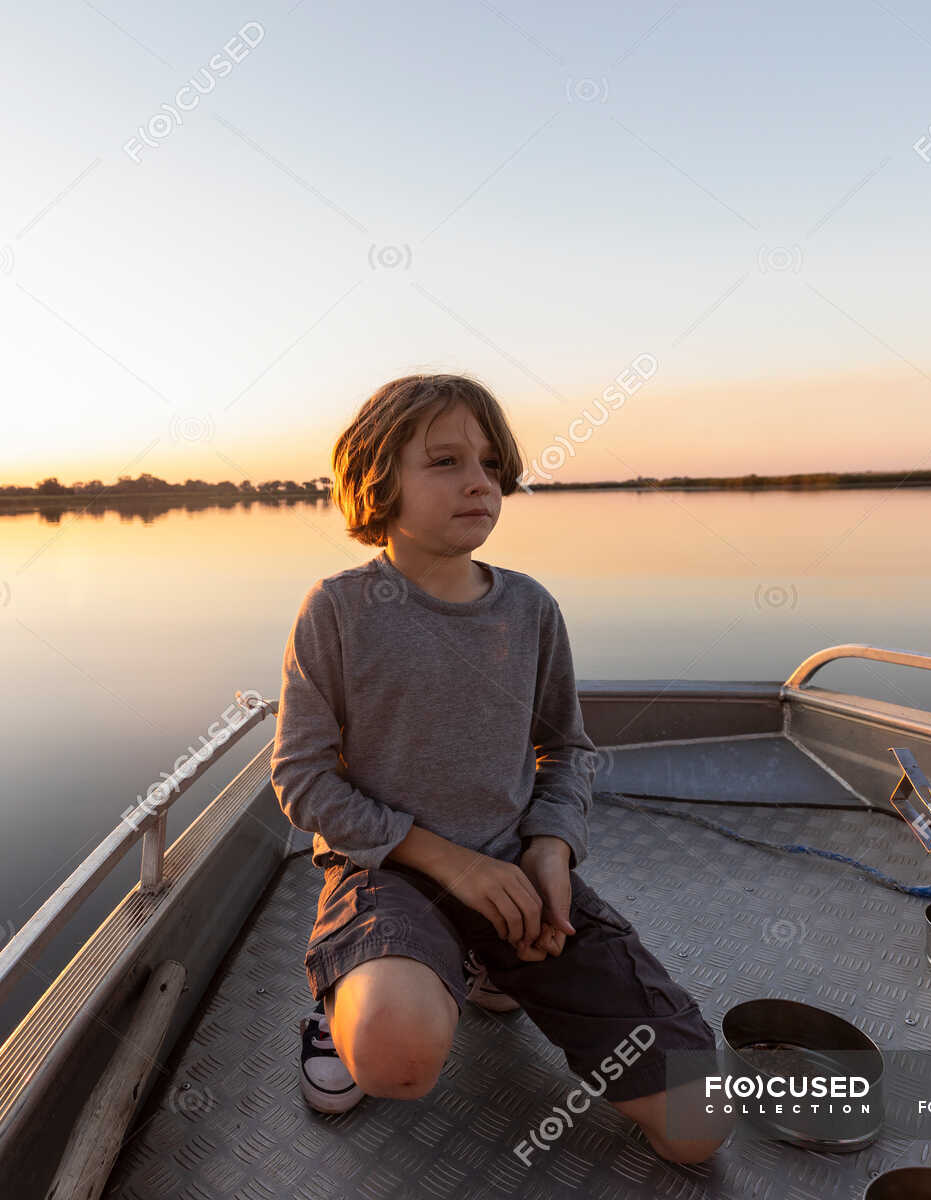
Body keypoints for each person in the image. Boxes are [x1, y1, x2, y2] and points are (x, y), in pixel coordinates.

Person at [270, 373, 733, 1163]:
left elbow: (567, 752)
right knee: (397, 1057)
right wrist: (445, 860)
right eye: (445, 461)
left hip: (517, 873)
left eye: (490, 462)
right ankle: (348, 994)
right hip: (388, 873)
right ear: (377, 482)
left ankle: (490, 964)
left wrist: (550, 851)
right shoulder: (339, 609)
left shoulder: (529, 609)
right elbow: (302, 779)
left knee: (699, 1125)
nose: (480, 481)